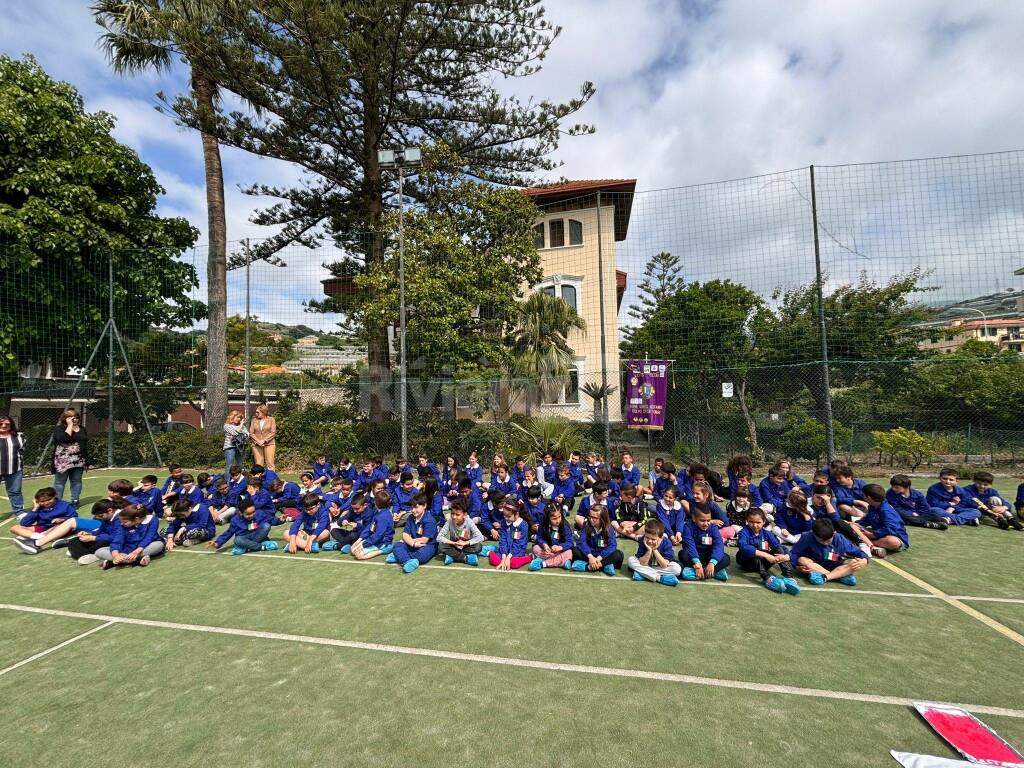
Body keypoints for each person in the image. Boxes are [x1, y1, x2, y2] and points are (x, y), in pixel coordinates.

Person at [737, 507, 800, 595]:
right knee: (753, 554)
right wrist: (766, 555)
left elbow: (777, 546)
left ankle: (788, 577)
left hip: (763, 563)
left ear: (764, 522)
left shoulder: (767, 533)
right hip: (747, 564)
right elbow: (743, 547)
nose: (755, 525)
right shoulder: (743, 532)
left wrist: (785, 556)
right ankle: (767, 579)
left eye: (758, 522)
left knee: (779, 549)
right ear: (747, 521)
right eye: (751, 522)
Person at [789, 517, 867, 586]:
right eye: (822, 541)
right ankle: (840, 576)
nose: (826, 543)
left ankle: (825, 577)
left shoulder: (840, 539)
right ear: (814, 534)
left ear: (834, 533)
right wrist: (797, 567)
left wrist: (864, 560)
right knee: (802, 560)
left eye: (829, 540)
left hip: (834, 561)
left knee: (854, 562)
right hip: (815, 564)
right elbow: (793, 554)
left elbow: (860, 553)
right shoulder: (807, 537)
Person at [12, 487, 77, 553]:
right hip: (43, 528)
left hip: (59, 528)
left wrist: (62, 519)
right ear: (37, 501)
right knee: (15, 528)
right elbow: (24, 523)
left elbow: (74, 519)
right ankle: (40, 537)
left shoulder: (65, 505)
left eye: (49, 499)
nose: (46, 503)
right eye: (42, 501)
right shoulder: (39, 508)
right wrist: (35, 508)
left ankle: (32, 540)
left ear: (55, 496)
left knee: (59, 526)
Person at [97, 503, 163, 569]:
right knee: (99, 552)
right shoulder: (122, 524)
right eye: (121, 522)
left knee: (159, 545)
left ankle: (115, 562)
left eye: (125, 522)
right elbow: (118, 538)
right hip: (128, 548)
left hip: (145, 547)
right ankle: (137, 560)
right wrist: (115, 554)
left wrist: (136, 552)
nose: (122, 524)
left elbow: (149, 537)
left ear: (136, 519)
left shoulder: (153, 520)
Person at [384, 494, 438, 573]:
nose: (413, 510)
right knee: (397, 545)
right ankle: (409, 561)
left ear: (424, 506)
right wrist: (412, 543)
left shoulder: (430, 520)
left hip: (427, 545)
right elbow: (405, 534)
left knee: (422, 556)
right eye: (411, 507)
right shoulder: (410, 517)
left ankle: (400, 557)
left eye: (416, 507)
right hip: (413, 544)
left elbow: (424, 540)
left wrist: (409, 541)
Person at [854, 484, 910, 556]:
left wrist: (873, 535)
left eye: (864, 495)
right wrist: (857, 524)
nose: (863, 497)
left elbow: (891, 528)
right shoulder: (872, 506)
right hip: (878, 533)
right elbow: (867, 520)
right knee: (853, 526)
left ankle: (867, 543)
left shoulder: (886, 510)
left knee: (893, 541)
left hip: (894, 537)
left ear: (869, 497)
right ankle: (871, 545)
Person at [208, 498, 278, 555]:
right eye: (248, 514)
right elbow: (228, 533)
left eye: (253, 512)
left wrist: (280, 519)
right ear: (241, 513)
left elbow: (271, 520)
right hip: (244, 538)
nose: (252, 515)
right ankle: (261, 546)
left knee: (266, 525)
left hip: (257, 535)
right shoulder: (235, 520)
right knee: (237, 540)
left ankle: (246, 547)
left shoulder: (259, 513)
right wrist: (217, 543)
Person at [570, 504, 622, 575]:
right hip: (589, 554)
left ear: (602, 518)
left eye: (594, 518)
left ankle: (588, 567)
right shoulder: (587, 526)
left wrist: (598, 559)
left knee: (619, 554)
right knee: (574, 549)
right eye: (590, 516)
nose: (591, 519)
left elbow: (612, 545)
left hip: (602, 556)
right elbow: (581, 542)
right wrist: (590, 556)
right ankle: (604, 566)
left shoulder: (609, 528)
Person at [681, 505, 730, 582]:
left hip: (709, 556)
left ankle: (697, 573)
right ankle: (713, 573)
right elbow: (690, 545)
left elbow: (719, 545)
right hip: (694, 557)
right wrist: (697, 564)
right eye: (702, 520)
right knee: (683, 554)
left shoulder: (713, 528)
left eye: (708, 520)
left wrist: (712, 562)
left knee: (726, 558)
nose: (706, 523)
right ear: (694, 518)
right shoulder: (687, 527)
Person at [627, 519, 681, 587]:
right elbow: (642, 563)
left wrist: (655, 550)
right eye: (647, 537)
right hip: (647, 565)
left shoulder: (666, 543)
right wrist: (649, 551)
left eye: (653, 539)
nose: (649, 541)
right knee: (631, 560)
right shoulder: (642, 540)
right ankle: (659, 578)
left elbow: (664, 565)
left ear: (661, 538)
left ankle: (644, 574)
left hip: (660, 567)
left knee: (677, 569)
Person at [52, 408, 88, 507]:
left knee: (76, 481)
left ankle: (75, 500)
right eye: (71, 418)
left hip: (78, 460)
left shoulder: (82, 428)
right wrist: (70, 425)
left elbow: (84, 444)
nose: (75, 419)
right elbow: (64, 438)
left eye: (76, 417)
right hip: (63, 461)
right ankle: (57, 502)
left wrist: (86, 460)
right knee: (59, 482)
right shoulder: (59, 429)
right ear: (65, 419)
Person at [436, 498, 484, 566]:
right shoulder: (450, 521)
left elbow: (480, 537)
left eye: (457, 514)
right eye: (452, 514)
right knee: (441, 546)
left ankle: (452, 556)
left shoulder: (469, 521)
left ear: (465, 514)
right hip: (454, 546)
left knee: (478, 547)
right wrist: (454, 543)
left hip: (466, 546)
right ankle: (465, 558)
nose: (454, 517)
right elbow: (439, 537)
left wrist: (465, 543)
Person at [530, 502, 576, 571]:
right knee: (536, 548)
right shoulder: (543, 523)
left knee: (569, 552)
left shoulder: (565, 525)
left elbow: (570, 542)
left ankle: (543, 563)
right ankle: (560, 561)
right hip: (548, 551)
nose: (558, 521)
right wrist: (544, 544)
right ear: (548, 518)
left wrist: (560, 547)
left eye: (559, 517)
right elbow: (539, 537)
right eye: (554, 518)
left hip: (560, 551)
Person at [351, 490, 396, 560]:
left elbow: (379, 534)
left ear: (376, 502)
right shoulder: (377, 512)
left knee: (359, 555)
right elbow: (370, 526)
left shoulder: (383, 516)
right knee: (353, 550)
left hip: (382, 542)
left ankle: (384, 550)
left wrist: (365, 544)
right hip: (374, 540)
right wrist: (360, 539)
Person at [0, 414, 26, 520]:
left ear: (11, 424)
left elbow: (22, 450)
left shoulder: (19, 436)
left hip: (15, 469)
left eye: (7, 423)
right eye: (1, 423)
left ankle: (19, 512)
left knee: (15, 491)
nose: (4, 425)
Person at [248, 404, 277, 470]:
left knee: (270, 462)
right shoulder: (254, 420)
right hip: (256, 444)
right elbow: (251, 433)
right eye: (256, 412)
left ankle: (271, 479)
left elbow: (273, 432)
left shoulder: (271, 419)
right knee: (258, 463)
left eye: (258, 412)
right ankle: (258, 479)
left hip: (269, 443)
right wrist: (258, 441)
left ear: (263, 412)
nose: (256, 413)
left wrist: (264, 440)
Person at [222, 410, 249, 477]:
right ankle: (228, 482)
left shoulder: (242, 426)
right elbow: (236, 433)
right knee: (230, 465)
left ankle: (239, 480)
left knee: (240, 465)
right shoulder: (227, 426)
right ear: (232, 417)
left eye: (240, 418)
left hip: (240, 447)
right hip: (230, 447)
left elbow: (247, 435)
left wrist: (243, 434)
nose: (239, 419)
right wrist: (241, 426)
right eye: (237, 417)